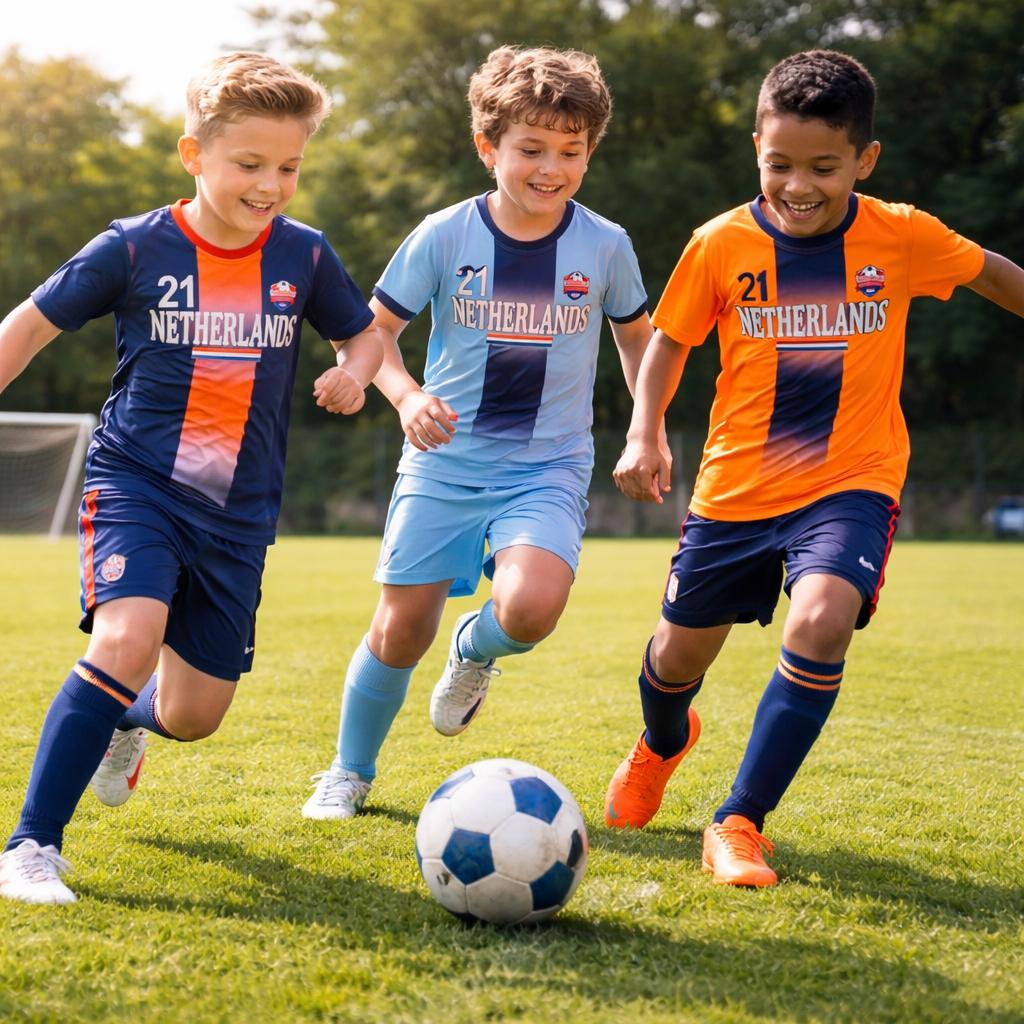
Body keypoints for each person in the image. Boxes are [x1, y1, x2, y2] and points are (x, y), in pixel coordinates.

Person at [604, 49, 1024, 886]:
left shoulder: (903, 235)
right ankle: (662, 739)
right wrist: (644, 432)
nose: (798, 184)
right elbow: (669, 343)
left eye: (823, 167)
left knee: (822, 618)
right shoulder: (719, 243)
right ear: (756, 146)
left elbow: (999, 278)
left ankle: (738, 821)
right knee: (677, 659)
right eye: (778, 164)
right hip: (734, 488)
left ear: (865, 160)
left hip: (852, 482)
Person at [0, 52, 383, 904]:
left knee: (192, 715)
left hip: (240, 517)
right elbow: (24, 330)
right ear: (193, 155)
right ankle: (30, 846)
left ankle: (119, 725)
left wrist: (356, 372)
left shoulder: (306, 257)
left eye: (288, 167)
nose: (269, 184)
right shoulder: (134, 247)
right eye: (249, 164)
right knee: (126, 639)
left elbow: (362, 336)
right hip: (135, 483)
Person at [302, 45, 660, 820]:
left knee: (530, 609)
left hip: (548, 464)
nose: (550, 168)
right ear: (488, 147)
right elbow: (372, 333)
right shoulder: (442, 234)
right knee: (398, 632)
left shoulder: (606, 245)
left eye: (572, 152)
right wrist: (395, 394)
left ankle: (474, 650)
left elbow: (639, 341)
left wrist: (647, 428)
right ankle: (348, 773)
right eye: (531, 149)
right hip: (445, 461)